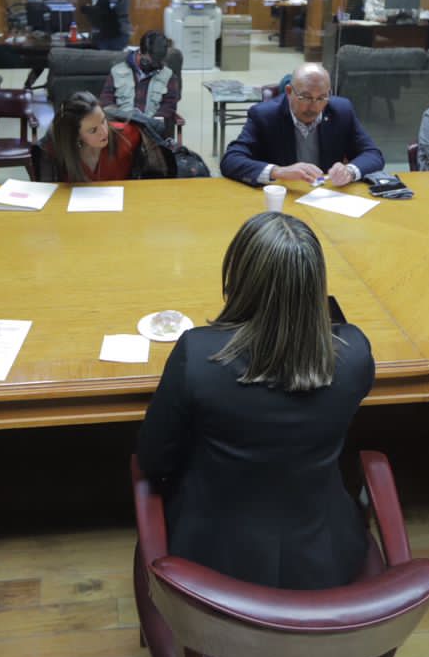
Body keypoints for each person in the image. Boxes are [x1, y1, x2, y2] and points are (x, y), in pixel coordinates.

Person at [137, 212, 374, 589]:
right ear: (315, 285)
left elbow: (153, 459)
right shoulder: (356, 352)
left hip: (210, 567)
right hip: (324, 561)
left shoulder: (197, 356)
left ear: (238, 280)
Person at [220, 63, 384, 187]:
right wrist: (279, 171)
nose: (313, 107)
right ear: (289, 91)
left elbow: (373, 154)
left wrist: (349, 171)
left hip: (326, 195)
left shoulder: (341, 111)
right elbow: (231, 160)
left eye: (321, 98)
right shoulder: (264, 115)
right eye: (305, 97)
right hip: (283, 196)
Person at [40, 90, 162, 183]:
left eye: (103, 121)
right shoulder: (56, 148)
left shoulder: (126, 134)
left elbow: (158, 152)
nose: (104, 132)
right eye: (93, 130)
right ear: (76, 136)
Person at [100, 30, 180, 123]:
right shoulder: (117, 71)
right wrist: (119, 117)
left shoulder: (168, 76)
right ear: (140, 52)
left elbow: (169, 106)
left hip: (150, 128)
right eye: (151, 61)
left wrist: (152, 122)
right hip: (122, 125)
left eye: (158, 62)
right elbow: (106, 100)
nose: (155, 66)